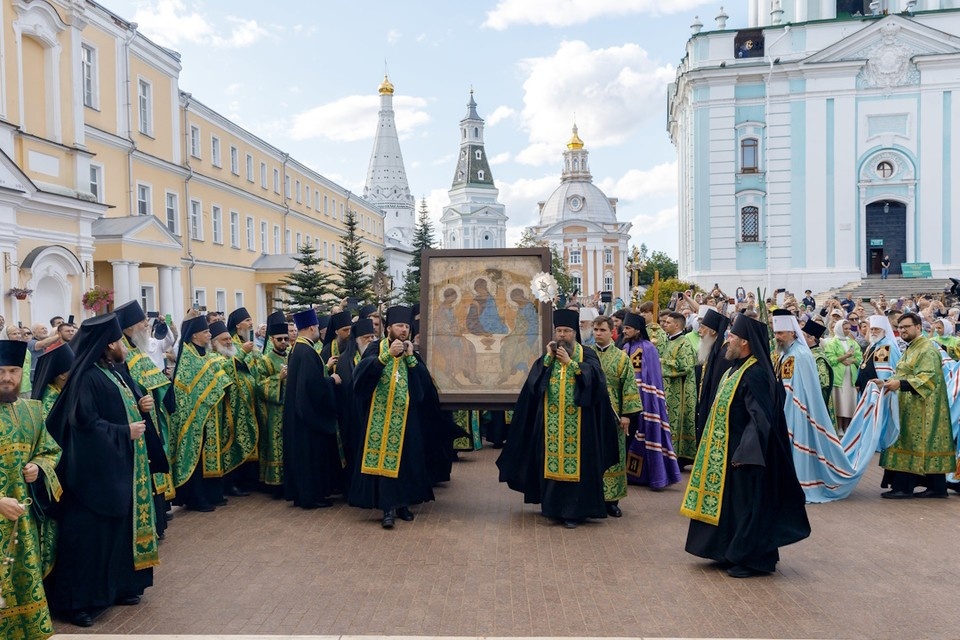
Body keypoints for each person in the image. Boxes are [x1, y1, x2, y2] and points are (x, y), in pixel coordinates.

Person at [44, 315, 160, 627]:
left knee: (111, 537)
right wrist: (124, 432)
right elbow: (85, 424)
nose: (124, 346)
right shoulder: (86, 377)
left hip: (114, 470)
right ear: (108, 344)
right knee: (87, 541)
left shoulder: (110, 372)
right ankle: (77, 604)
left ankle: (113, 589)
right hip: (90, 478)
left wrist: (140, 405)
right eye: (119, 341)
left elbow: (118, 406)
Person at [681, 313, 810, 578]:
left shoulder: (756, 373)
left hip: (748, 456)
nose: (727, 341)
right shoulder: (735, 369)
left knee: (748, 507)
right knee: (732, 507)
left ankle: (754, 560)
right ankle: (727, 551)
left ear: (745, 342)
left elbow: (760, 418)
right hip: (726, 452)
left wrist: (746, 453)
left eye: (732, 337)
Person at [497, 308, 620, 529]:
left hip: (581, 427)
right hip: (551, 427)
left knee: (580, 468)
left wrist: (571, 364)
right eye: (559, 330)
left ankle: (575, 512)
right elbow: (534, 387)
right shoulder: (549, 357)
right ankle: (553, 508)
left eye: (567, 331)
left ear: (575, 333)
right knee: (549, 465)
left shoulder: (586, 354)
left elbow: (597, 383)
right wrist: (547, 360)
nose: (562, 335)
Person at [350, 306, 447, 528]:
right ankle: (387, 508)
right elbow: (361, 376)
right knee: (384, 461)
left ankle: (404, 504)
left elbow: (424, 388)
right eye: (399, 326)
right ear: (389, 329)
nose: (404, 330)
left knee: (407, 461)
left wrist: (411, 360)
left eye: (406, 326)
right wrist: (386, 357)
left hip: (407, 418)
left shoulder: (411, 353)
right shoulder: (376, 348)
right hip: (379, 417)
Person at [0, 340, 62, 640]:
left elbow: (49, 450)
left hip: (22, 522)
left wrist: (39, 467)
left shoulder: (32, 411)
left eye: (13, 371)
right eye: (0, 371)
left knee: (22, 582)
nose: (7, 378)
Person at [878, 312, 957, 498]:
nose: (902, 330)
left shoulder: (926, 349)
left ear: (918, 327)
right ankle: (936, 488)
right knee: (916, 444)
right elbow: (903, 373)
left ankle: (904, 487)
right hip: (910, 405)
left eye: (906, 326)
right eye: (900, 327)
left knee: (913, 444)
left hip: (923, 408)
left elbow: (928, 378)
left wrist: (900, 384)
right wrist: (886, 382)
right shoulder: (913, 347)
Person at [114, 301, 174, 540]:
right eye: (142, 322)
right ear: (129, 327)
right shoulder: (121, 352)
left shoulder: (135, 347)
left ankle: (158, 519)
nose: (146, 325)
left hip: (149, 416)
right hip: (136, 421)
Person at [167, 316, 232, 512]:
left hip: (209, 413)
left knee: (208, 455)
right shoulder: (188, 357)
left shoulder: (204, 353)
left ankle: (211, 493)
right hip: (193, 416)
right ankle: (195, 497)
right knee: (195, 456)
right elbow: (188, 389)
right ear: (195, 335)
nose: (209, 335)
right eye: (205, 332)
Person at [283, 308, 344, 509]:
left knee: (302, 457)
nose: (318, 330)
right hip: (307, 418)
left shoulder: (298, 348)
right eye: (317, 327)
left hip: (297, 414)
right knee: (310, 457)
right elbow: (312, 386)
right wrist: (332, 381)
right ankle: (311, 497)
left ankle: (302, 495)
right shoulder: (307, 351)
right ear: (311, 327)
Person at [590, 315, 641, 517]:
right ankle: (592, 498)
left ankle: (611, 501)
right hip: (591, 414)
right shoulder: (586, 354)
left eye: (602, 330)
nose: (598, 333)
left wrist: (627, 415)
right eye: (595, 330)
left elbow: (629, 386)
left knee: (615, 455)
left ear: (611, 331)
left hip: (614, 417)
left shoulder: (621, 357)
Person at [209, 321, 259, 498]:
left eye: (230, 339)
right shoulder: (213, 358)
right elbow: (227, 371)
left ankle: (244, 480)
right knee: (230, 445)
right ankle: (230, 483)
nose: (229, 342)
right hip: (226, 412)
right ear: (214, 343)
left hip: (242, 408)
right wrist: (242, 353)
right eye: (225, 340)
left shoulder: (230, 355)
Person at [255, 312, 289, 495]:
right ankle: (275, 483)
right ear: (271, 339)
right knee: (275, 444)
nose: (283, 342)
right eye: (279, 339)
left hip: (290, 408)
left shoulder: (291, 355)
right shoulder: (265, 360)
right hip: (273, 411)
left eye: (285, 339)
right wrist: (279, 378)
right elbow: (259, 385)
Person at [660, 311, 698, 465]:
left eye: (668, 322)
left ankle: (678, 456)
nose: (664, 324)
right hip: (667, 389)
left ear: (677, 325)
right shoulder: (667, 341)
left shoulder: (684, 343)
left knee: (677, 423)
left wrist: (661, 363)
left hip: (680, 391)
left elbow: (686, 366)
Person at [695, 308, 732, 445]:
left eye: (703, 328)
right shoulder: (710, 349)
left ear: (713, 332)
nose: (699, 331)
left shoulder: (724, 354)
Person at [824, 319, 861, 434]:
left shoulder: (853, 342)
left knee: (849, 402)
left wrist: (852, 360)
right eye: (845, 329)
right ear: (839, 329)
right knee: (840, 402)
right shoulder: (831, 343)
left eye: (849, 328)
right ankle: (839, 427)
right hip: (839, 378)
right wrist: (844, 357)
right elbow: (830, 359)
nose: (848, 331)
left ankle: (848, 426)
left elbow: (860, 357)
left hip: (851, 377)